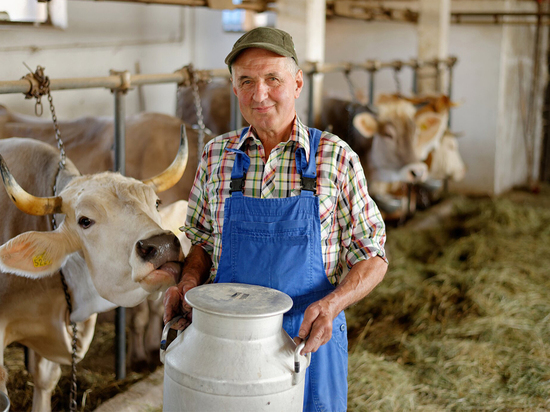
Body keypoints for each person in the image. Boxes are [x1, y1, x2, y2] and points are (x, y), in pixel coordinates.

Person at [163, 27, 388, 411]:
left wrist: (333, 304)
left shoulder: (335, 157)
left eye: (272, 79)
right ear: (235, 90)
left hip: (308, 343)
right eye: (246, 81)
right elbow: (201, 240)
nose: (259, 93)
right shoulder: (217, 157)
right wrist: (187, 282)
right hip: (225, 345)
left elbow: (372, 254)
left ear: (297, 83)